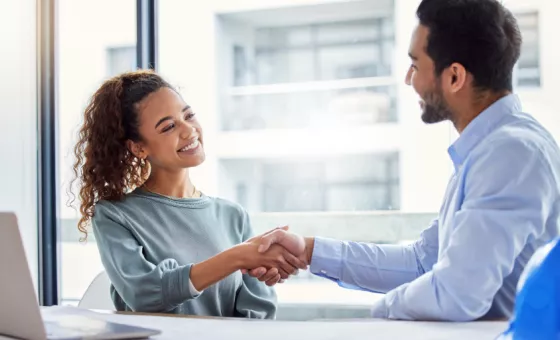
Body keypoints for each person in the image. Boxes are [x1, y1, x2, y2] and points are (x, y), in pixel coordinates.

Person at [245, 0, 560, 321]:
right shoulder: (489, 151)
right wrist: (309, 250)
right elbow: (422, 262)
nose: (410, 80)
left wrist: (378, 315)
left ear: (454, 77)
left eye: (416, 65)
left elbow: (456, 295)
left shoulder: (511, 154)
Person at [70, 70, 306, 318]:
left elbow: (259, 310)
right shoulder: (114, 215)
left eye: (189, 115)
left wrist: (263, 267)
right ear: (138, 147)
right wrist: (237, 257)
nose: (188, 130)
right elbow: (146, 295)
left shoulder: (233, 216)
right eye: (169, 126)